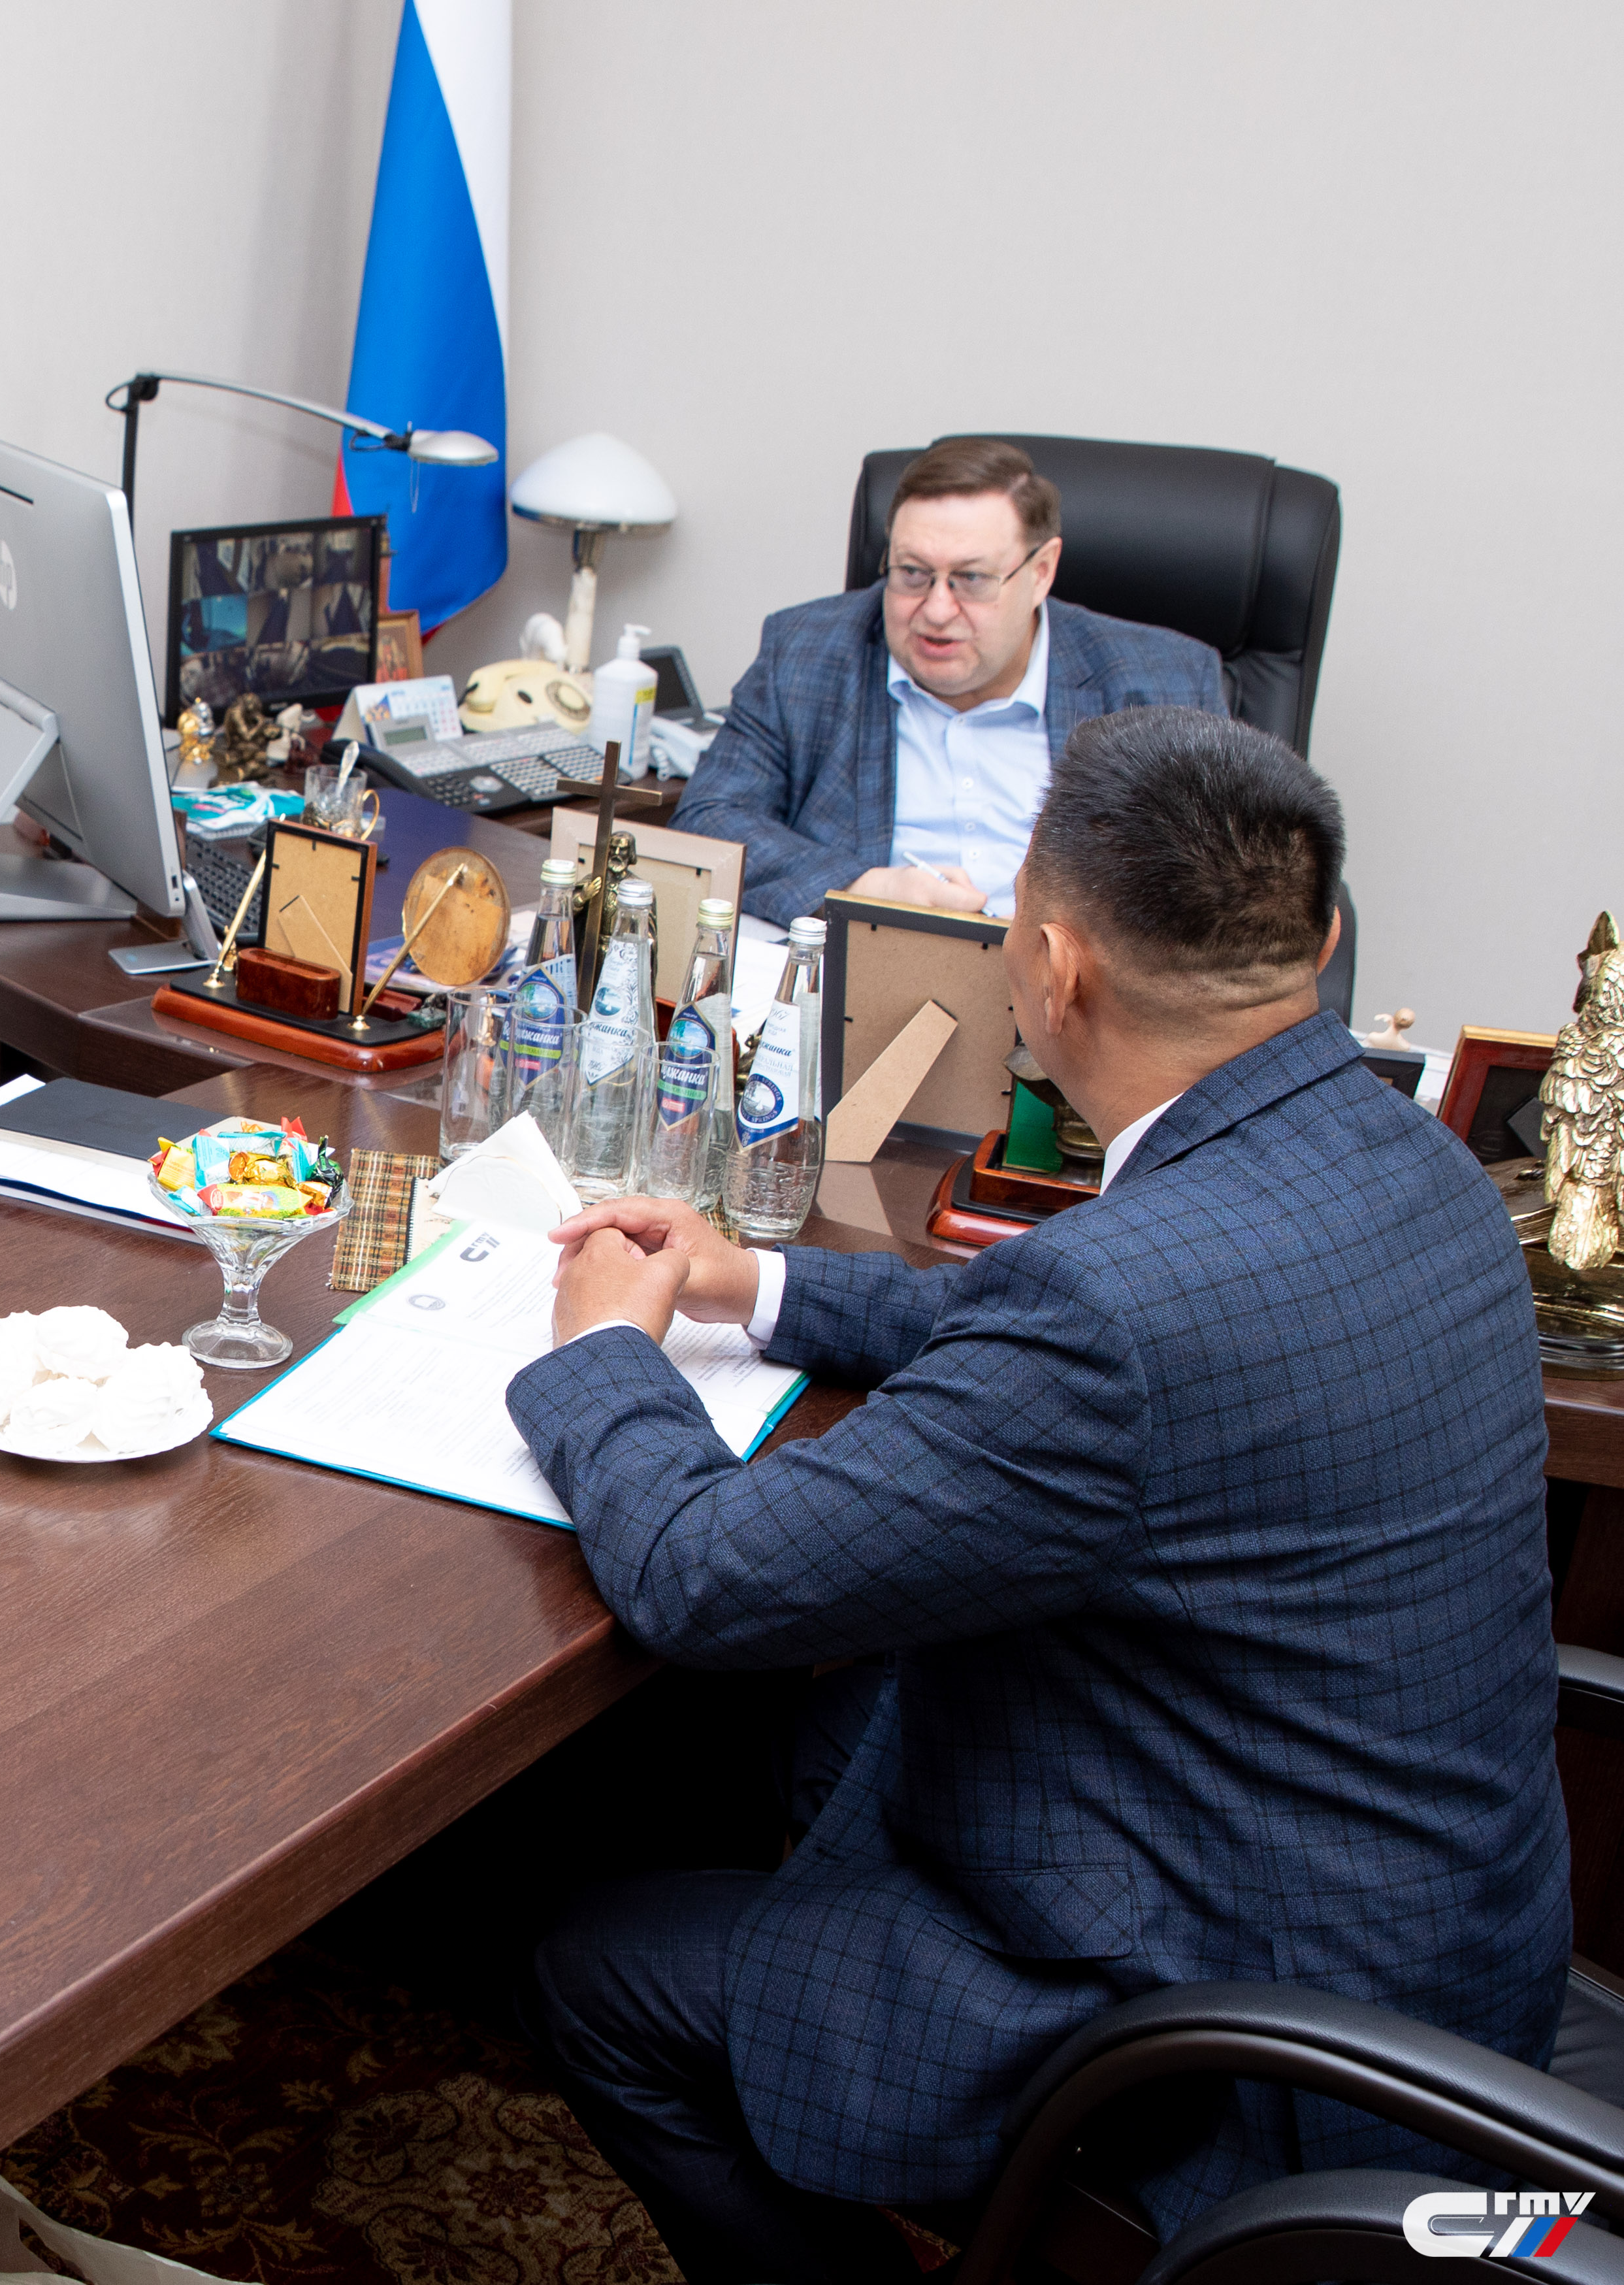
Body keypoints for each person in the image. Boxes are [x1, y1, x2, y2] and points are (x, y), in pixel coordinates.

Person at [512, 709, 1563, 2280]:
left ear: (1054, 967)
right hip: (1441, 1940)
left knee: (598, 1973)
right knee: (829, 1727)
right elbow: (1054, 1321)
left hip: (1241, 2050)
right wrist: (757, 1283)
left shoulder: (1114, 1313)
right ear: (1321, 940)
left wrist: (603, 1351)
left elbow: (703, 1573)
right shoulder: (1416, 1163)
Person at [678, 436, 1227, 925]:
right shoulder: (806, 651)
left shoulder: (1165, 681)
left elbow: (1219, 877)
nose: (937, 611)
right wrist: (861, 887)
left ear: (1040, 573)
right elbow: (708, 820)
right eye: (912, 573)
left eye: (971, 578)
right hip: (874, 969)